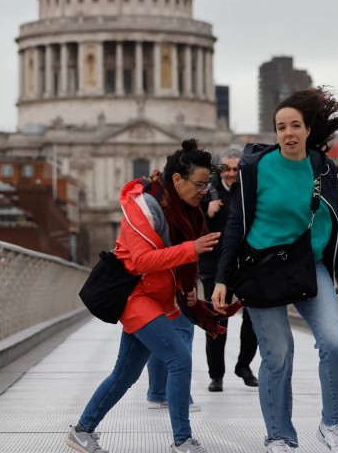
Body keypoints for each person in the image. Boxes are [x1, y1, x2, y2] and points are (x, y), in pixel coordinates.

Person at [212, 87, 338, 453]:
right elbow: (235, 224)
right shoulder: (254, 168)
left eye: (295, 125)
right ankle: (279, 435)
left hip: (308, 265)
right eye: (281, 127)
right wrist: (221, 279)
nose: (288, 133)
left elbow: (337, 223)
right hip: (261, 269)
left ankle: (332, 424)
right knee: (278, 354)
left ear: (308, 129)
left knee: (334, 340)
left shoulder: (322, 167)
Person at [67, 140, 226, 453]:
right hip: (135, 295)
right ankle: (182, 440)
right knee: (179, 358)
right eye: (198, 183)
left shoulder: (186, 211)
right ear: (177, 180)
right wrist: (190, 249)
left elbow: (180, 261)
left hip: (158, 296)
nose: (203, 190)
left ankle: (82, 430)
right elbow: (139, 261)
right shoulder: (144, 208)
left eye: (207, 184)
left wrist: (187, 289)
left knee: (125, 374)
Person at [199, 148, 258, 392]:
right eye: (227, 169)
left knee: (254, 317)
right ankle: (216, 375)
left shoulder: (251, 188)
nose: (232, 173)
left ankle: (243, 366)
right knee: (217, 319)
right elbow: (189, 226)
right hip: (214, 267)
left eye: (236, 169)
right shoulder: (204, 190)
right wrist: (206, 211)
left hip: (246, 265)